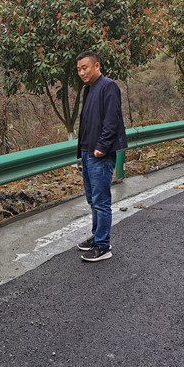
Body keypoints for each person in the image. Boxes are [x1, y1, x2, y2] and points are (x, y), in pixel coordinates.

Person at [75, 51, 128, 262]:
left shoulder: (108, 86)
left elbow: (112, 119)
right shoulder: (90, 90)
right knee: (92, 199)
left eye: (85, 68)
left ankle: (103, 246)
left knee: (101, 200)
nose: (81, 72)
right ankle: (98, 236)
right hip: (88, 152)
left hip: (100, 153)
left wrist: (102, 146)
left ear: (97, 66)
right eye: (79, 69)